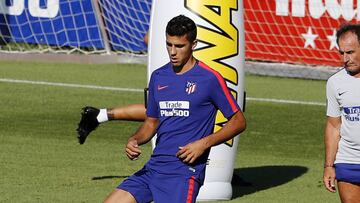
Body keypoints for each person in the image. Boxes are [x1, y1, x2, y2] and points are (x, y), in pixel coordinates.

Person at [102, 15, 246, 203]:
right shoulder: (158, 76)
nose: (172, 52)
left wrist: (203, 144)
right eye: (169, 45)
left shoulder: (209, 78)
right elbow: (152, 122)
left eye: (179, 46)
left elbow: (239, 121)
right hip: (153, 168)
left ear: (194, 44)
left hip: (183, 174)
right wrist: (135, 139)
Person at [323, 23, 360, 202]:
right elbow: (333, 125)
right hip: (348, 160)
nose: (345, 58)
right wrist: (329, 166)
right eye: (342, 53)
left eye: (350, 52)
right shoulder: (335, 83)